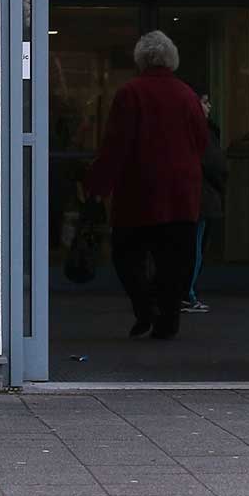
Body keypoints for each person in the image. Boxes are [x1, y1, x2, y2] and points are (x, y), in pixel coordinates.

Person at [84, 30, 209, 340]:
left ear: (140, 58)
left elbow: (115, 144)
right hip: (181, 192)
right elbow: (202, 142)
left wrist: (98, 186)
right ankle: (168, 321)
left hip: (139, 191)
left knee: (127, 255)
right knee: (175, 260)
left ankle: (145, 308)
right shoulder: (187, 95)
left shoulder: (130, 93)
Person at [184, 93, 228, 314]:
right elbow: (215, 164)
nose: (209, 106)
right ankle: (186, 294)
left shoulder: (177, 128)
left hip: (182, 195)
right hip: (201, 196)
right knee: (195, 246)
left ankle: (175, 292)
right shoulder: (204, 131)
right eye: (204, 101)